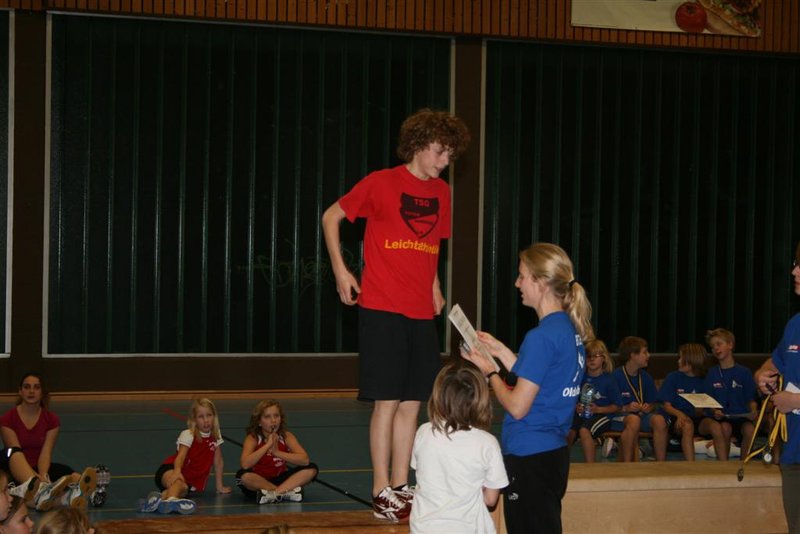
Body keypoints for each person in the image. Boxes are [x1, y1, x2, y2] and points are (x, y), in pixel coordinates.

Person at [321, 108, 470, 522]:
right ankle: (380, 489)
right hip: (382, 308)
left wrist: (434, 284)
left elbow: (433, 245)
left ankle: (402, 487)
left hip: (420, 311)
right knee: (386, 402)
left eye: (450, 155)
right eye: (440, 152)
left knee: (412, 402)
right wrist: (341, 270)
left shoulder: (442, 193)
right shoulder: (380, 183)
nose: (445, 161)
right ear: (419, 145)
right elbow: (331, 216)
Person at [461, 242, 593, 534]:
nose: (517, 283)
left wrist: (490, 371)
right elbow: (542, 377)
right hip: (553, 455)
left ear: (541, 282)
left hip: (529, 456)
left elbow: (518, 406)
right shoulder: (568, 331)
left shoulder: (541, 337)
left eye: (522, 276)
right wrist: (500, 351)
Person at [409, 362, 508, 533]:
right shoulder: (487, 443)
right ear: (480, 401)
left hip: (424, 528)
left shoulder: (424, 432)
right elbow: (491, 499)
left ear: (439, 396)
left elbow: (420, 470)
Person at [0, 373, 101, 511]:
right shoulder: (7, 419)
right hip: (13, 467)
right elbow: (14, 450)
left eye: (36, 387)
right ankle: (50, 492)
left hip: (38, 467)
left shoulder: (51, 420)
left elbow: (46, 453)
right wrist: (40, 482)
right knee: (14, 453)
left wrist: (43, 476)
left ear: (42, 392)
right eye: (27, 387)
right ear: (20, 391)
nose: (31, 391)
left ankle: (82, 495)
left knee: (72, 475)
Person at [755, 243, 800, 533]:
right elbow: (776, 360)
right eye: (796, 264)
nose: (794, 272)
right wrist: (762, 373)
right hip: (794, 454)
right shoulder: (795, 324)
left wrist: (795, 401)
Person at [139, 398, 231, 515]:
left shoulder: (215, 435)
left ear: (214, 416)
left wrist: (219, 486)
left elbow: (218, 462)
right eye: (201, 417)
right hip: (171, 469)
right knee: (178, 483)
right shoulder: (189, 434)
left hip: (187, 481)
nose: (206, 420)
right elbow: (181, 457)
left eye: (209, 415)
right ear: (194, 419)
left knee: (183, 489)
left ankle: (157, 501)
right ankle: (171, 501)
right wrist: (177, 472)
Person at [236, 399, 318, 504]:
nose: (273, 420)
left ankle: (274, 494)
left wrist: (277, 452)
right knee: (242, 476)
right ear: (259, 422)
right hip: (259, 483)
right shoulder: (253, 438)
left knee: (312, 468)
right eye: (267, 417)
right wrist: (267, 445)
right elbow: (245, 464)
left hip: (282, 480)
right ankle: (286, 493)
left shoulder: (286, 436)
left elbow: (305, 460)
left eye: (276, 416)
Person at [609, 337, 669, 462]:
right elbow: (608, 405)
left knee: (659, 421)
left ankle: (661, 464)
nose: (648, 355)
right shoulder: (615, 377)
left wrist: (649, 407)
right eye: (645, 352)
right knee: (633, 420)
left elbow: (654, 403)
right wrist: (625, 408)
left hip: (641, 417)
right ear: (633, 355)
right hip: (618, 417)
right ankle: (627, 466)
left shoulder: (646, 377)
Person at [702, 328, 757, 460]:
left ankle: (744, 464)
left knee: (750, 430)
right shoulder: (712, 373)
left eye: (719, 344)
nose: (716, 348)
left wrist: (753, 411)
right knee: (725, 428)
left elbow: (751, 399)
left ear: (730, 345)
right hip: (722, 418)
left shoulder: (744, 372)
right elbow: (707, 401)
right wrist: (714, 411)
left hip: (741, 417)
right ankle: (724, 465)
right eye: (712, 347)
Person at [566, 339, 621, 462]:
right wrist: (576, 407)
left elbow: (617, 406)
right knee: (568, 431)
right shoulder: (580, 378)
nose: (591, 359)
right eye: (589, 356)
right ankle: (563, 464)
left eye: (595, 356)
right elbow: (571, 398)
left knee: (584, 430)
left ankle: (590, 467)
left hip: (603, 416)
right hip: (582, 414)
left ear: (604, 358)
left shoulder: (609, 380)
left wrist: (598, 409)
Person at [657, 343, 707, 461]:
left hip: (696, 417)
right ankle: (690, 465)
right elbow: (666, 406)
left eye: (681, 358)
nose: (678, 361)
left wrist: (701, 410)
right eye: (679, 358)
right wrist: (679, 414)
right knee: (687, 425)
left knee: (717, 427)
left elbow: (704, 408)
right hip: (675, 416)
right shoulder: (673, 377)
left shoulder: (704, 380)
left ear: (692, 361)